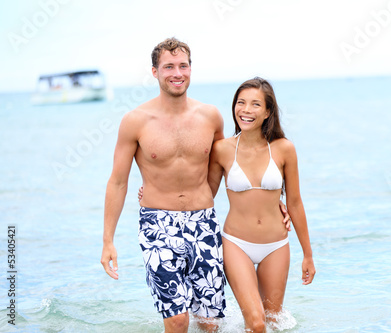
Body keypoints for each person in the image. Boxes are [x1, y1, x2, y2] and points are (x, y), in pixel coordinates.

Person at [100, 37, 289, 333]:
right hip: (157, 224)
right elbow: (118, 181)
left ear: (191, 69)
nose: (177, 73)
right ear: (154, 72)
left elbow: (231, 164)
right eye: (169, 67)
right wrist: (107, 240)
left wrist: (270, 200)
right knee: (177, 320)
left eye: (183, 66)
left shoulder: (210, 117)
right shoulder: (135, 121)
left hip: (204, 223)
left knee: (210, 323)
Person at [208, 77, 316, 332]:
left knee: (274, 322)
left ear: (268, 112)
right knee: (256, 322)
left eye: (255, 104)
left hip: (276, 246)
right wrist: (162, 191)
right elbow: (205, 193)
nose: (246, 110)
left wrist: (308, 255)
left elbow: (296, 203)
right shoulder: (222, 149)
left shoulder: (284, 149)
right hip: (236, 243)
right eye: (241, 102)